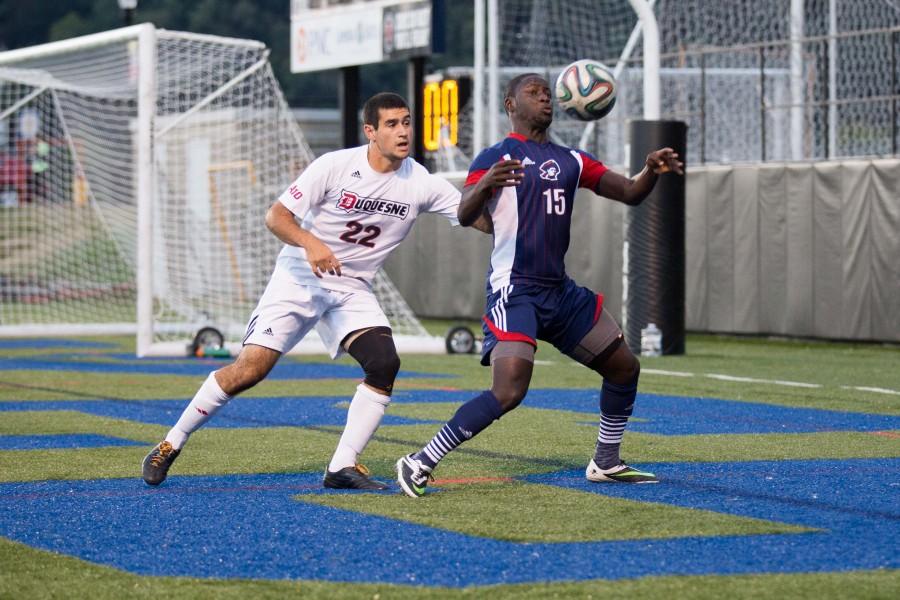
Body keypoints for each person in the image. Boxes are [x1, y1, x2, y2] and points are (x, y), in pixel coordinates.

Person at [142, 92, 478, 489]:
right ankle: (171, 442)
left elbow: (471, 216)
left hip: (351, 288)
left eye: (406, 122)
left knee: (384, 363)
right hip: (298, 278)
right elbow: (277, 217)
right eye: (391, 124)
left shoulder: (421, 182)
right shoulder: (335, 166)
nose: (403, 131)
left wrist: (493, 190)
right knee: (249, 371)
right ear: (370, 132)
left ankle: (342, 467)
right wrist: (311, 243)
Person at [395, 73, 683, 498]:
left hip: (559, 292)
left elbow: (630, 192)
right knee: (509, 390)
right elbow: (462, 212)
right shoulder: (496, 155)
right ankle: (419, 460)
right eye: (533, 92)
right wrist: (487, 183)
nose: (544, 97)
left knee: (624, 367)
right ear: (511, 106)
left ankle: (606, 462)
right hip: (516, 290)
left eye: (547, 92)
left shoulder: (572, 159)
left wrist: (651, 170)